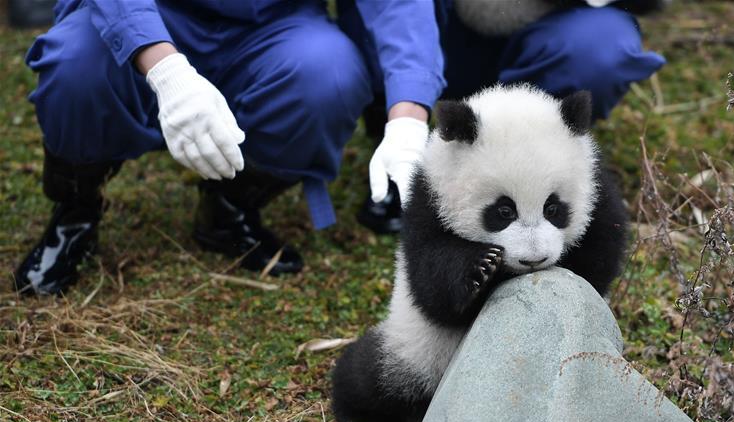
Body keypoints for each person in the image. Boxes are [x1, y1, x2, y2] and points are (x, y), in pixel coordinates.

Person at [14, 0, 442, 295]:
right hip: (155, 14)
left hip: (274, 23)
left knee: (328, 76)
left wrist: (408, 117)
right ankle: (76, 212)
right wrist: (165, 70)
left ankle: (230, 207)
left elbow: (398, 5)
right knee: (75, 66)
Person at [346, 0, 666, 233]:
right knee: (383, 17)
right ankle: (392, 138)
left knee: (599, 46)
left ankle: (538, 153)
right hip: (439, 26)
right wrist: (407, 116)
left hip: (546, 28)